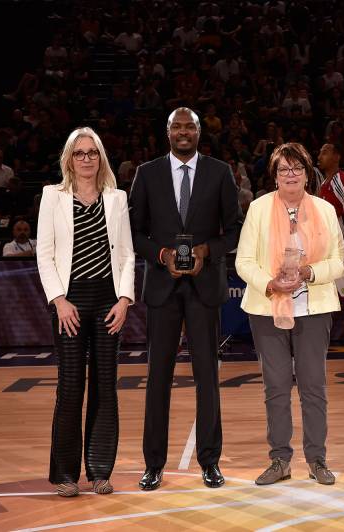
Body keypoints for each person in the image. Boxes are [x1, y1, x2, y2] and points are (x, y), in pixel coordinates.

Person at [129, 107, 241, 491]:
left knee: (207, 377)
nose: (183, 132)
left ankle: (209, 461)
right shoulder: (147, 174)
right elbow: (135, 232)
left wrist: (206, 253)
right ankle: (153, 464)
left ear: (198, 132)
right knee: (157, 378)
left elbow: (235, 230)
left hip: (204, 287)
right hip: (162, 288)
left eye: (189, 126)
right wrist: (161, 255)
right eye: (176, 126)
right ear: (167, 132)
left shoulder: (219, 171)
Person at [235, 142, 344, 486]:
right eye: (284, 169)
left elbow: (340, 261)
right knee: (276, 387)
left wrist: (310, 272)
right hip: (267, 309)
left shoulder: (325, 210)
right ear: (275, 175)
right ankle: (280, 459)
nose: (291, 175)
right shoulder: (258, 208)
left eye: (297, 168)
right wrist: (270, 284)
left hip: (314, 307)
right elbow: (243, 261)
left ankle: (317, 459)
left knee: (314, 386)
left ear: (307, 173)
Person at [36, 127, 135, 497]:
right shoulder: (52, 197)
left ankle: (100, 473)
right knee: (71, 386)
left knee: (106, 388)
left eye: (92, 153)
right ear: (69, 159)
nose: (87, 159)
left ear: (101, 158)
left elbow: (126, 255)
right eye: (80, 153)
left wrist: (124, 300)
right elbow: (44, 254)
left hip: (109, 301)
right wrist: (59, 300)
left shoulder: (117, 198)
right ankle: (64, 474)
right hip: (70, 303)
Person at [316, 143, 344, 229]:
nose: (319, 157)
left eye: (324, 153)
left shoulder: (343, 181)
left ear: (336, 157)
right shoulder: (323, 184)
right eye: (320, 153)